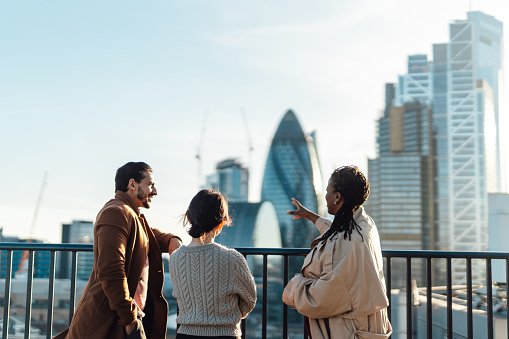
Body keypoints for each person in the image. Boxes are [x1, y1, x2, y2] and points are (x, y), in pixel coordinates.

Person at [55, 162, 183, 339]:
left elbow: (145, 234)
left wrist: (170, 239)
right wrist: (130, 319)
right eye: (150, 185)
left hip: (121, 318)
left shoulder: (129, 214)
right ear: (132, 184)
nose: (155, 191)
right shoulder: (116, 212)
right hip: (110, 321)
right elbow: (111, 271)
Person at [282, 166, 392, 338]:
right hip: (358, 326)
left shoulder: (350, 241)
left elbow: (321, 299)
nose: (325, 196)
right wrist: (311, 216)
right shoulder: (364, 224)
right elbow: (336, 233)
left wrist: (294, 287)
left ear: (337, 196)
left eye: (327, 191)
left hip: (348, 331)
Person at [169, 189, 256, 339]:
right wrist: (228, 315)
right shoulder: (233, 258)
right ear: (222, 224)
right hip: (225, 334)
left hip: (186, 334)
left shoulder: (175, 258)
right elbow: (250, 300)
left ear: (189, 218)